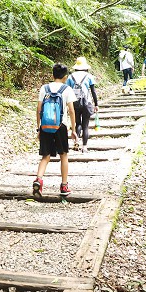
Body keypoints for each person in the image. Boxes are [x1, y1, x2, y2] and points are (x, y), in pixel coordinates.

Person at [33, 63, 78, 199]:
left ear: (52, 75)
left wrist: (39, 127)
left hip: (46, 125)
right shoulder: (67, 89)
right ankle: (64, 186)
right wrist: (73, 129)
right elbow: (71, 110)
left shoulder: (44, 88)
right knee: (63, 155)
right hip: (61, 126)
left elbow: (39, 109)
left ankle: (38, 180)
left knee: (45, 156)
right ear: (65, 77)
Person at [66, 57, 98, 154]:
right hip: (86, 103)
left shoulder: (70, 77)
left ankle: (76, 142)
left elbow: (67, 91)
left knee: (77, 124)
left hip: (74, 103)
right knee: (85, 125)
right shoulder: (89, 76)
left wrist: (67, 105)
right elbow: (93, 91)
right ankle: (84, 147)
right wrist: (96, 104)